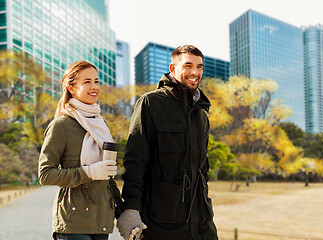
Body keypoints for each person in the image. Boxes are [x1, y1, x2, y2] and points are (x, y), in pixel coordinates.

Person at [117, 45, 218, 240]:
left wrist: (205, 203)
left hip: (202, 222)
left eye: (199, 67)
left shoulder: (202, 114)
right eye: (188, 65)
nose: (195, 72)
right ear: (173, 69)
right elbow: (135, 161)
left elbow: (202, 166)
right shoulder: (150, 103)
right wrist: (130, 208)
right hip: (160, 221)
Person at [38, 60, 122, 240]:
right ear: (71, 88)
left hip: (101, 222)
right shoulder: (61, 126)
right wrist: (89, 172)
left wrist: (122, 214)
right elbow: (45, 174)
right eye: (87, 82)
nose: (94, 87)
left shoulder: (101, 125)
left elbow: (106, 179)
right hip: (73, 221)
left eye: (97, 81)